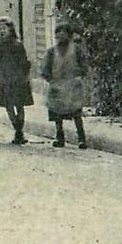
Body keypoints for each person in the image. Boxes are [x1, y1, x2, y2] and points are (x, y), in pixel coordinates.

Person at [0, 16, 33, 145]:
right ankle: (18, 131)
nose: (1, 31)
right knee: (8, 106)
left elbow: (24, 62)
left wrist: (25, 76)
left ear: (11, 29)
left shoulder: (17, 45)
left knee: (20, 106)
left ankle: (19, 131)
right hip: (4, 78)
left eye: (4, 28)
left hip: (17, 78)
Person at [41, 19, 88, 149]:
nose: (60, 36)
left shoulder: (76, 50)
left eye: (64, 33)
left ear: (70, 35)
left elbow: (84, 66)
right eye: (58, 33)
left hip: (72, 85)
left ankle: (81, 138)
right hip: (57, 85)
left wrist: (80, 76)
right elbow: (45, 69)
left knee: (76, 113)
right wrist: (50, 80)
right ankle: (59, 137)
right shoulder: (51, 52)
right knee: (57, 114)